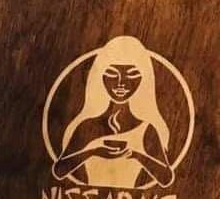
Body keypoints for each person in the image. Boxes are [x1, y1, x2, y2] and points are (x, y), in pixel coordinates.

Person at [53, 36, 174, 189]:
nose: (121, 83)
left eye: (132, 75)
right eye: (112, 74)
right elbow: (59, 171)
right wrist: (93, 152)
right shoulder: (87, 126)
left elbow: (166, 178)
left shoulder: (146, 130)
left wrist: (136, 155)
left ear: (143, 80)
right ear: (100, 77)